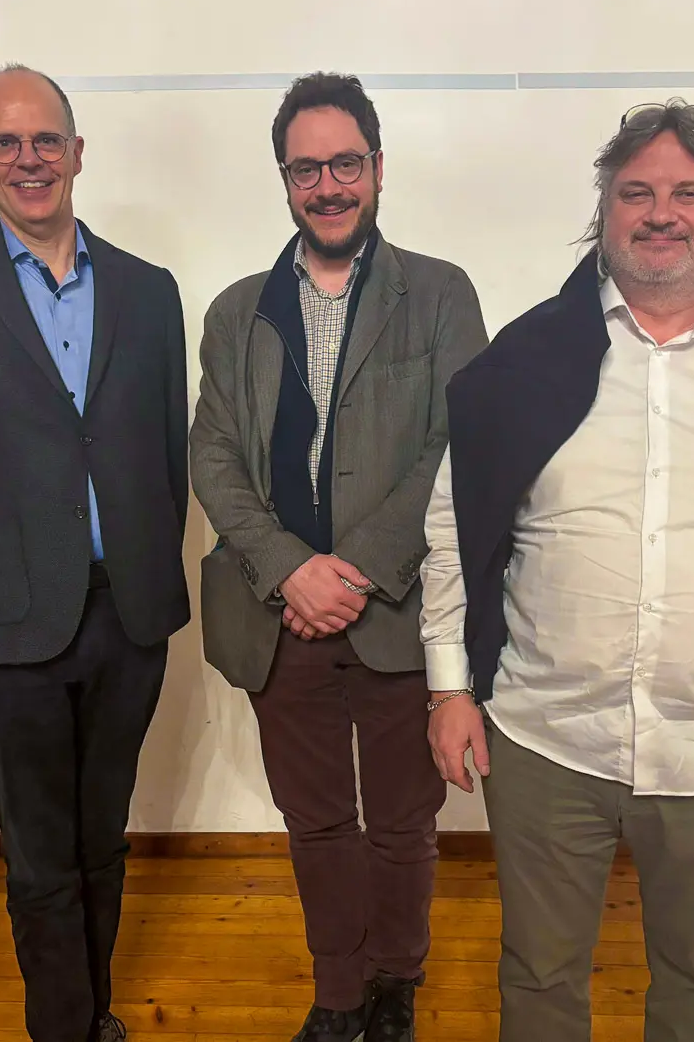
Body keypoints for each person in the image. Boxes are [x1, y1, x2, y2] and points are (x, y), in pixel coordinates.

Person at [421, 98, 694, 1042]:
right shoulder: (519, 365)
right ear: (605, 209)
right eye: (636, 192)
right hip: (545, 739)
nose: (660, 212)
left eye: (687, 193)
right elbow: (453, 531)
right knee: (538, 979)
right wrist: (449, 686)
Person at [0, 64, 189, 1042]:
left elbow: (167, 456)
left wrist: (153, 582)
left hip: (129, 617)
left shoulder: (150, 292)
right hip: (4, 628)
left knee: (104, 838)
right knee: (40, 856)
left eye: (45, 139)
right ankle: (62, 1026)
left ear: (77, 152)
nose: (28, 159)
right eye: (5, 143)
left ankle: (94, 1014)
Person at [189, 72, 489, 1042]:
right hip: (278, 613)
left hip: (395, 608)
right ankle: (338, 992)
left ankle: (396, 981)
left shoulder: (439, 295)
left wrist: (351, 570)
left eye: (345, 163)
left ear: (377, 167)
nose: (327, 185)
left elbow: (458, 446)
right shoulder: (236, 313)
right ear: (284, 179)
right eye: (305, 168)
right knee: (314, 820)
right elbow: (212, 455)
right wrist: (290, 568)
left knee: (402, 821)